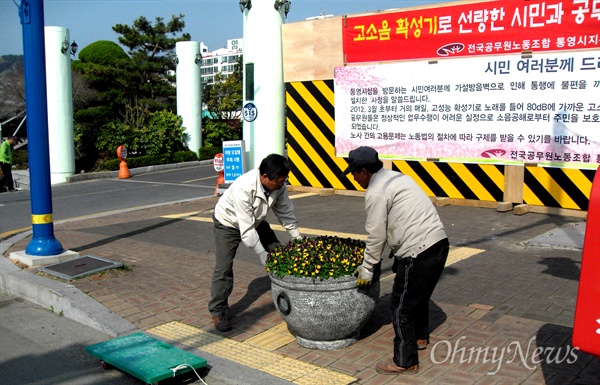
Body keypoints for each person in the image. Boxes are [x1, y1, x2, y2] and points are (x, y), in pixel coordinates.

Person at [342, 146, 449, 375]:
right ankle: (420, 337)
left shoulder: (376, 191)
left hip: (418, 251)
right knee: (418, 297)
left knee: (401, 307)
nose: (354, 178)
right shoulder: (399, 177)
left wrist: (367, 268)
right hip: (439, 244)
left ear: (363, 171)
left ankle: (404, 360)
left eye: (353, 173)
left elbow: (376, 234)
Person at [209, 153, 302, 331]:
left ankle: (290, 294)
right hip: (228, 223)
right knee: (224, 267)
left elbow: (285, 211)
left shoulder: (278, 185)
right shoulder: (243, 186)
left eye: (284, 180)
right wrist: (261, 254)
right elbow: (247, 230)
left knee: (278, 252)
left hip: (255, 221)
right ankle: (218, 311)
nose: (281, 185)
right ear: (264, 176)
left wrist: (297, 237)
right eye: (279, 181)